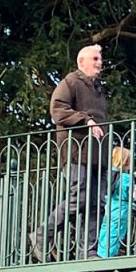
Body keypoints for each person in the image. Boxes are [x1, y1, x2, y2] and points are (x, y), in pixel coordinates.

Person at [44, 43, 111, 259]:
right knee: (80, 196)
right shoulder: (70, 82)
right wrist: (86, 121)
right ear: (81, 62)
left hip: (97, 154)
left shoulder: (99, 89)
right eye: (95, 59)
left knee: (96, 203)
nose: (99, 63)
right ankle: (44, 233)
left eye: (99, 59)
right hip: (75, 151)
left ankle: (89, 250)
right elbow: (58, 110)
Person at [96, 146, 134, 258]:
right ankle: (108, 256)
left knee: (105, 230)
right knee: (116, 233)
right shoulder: (126, 177)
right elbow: (131, 194)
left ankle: (100, 253)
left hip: (108, 205)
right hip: (121, 208)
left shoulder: (107, 175)